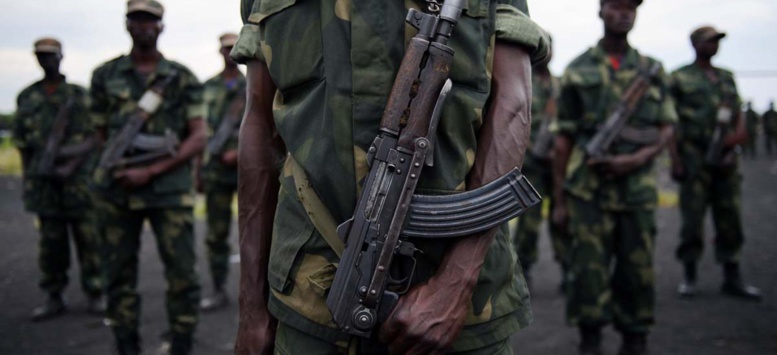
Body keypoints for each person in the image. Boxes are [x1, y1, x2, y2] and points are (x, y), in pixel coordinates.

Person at [231, 0, 550, 354]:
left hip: (459, 310)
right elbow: (259, 126)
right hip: (308, 304)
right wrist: (251, 309)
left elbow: (513, 103)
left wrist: (455, 283)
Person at [552, 1, 677, 354]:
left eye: (631, 7)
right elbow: (563, 140)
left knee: (637, 272)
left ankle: (635, 339)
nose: (625, 13)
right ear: (601, 11)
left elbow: (667, 128)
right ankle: (590, 339)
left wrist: (635, 159)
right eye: (616, 6)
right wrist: (559, 201)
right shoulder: (578, 70)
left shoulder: (652, 69)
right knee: (587, 273)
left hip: (637, 192)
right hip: (588, 191)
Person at [89, 1, 206, 353]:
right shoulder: (104, 76)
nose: (144, 26)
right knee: (117, 276)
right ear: (127, 25)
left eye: (150, 20)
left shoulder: (181, 77)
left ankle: (182, 344)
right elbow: (99, 134)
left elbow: (198, 136)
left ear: (161, 26)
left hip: (169, 192)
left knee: (182, 276)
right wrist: (118, 167)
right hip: (117, 192)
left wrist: (150, 170)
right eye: (137, 19)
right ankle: (126, 344)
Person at [14, 38, 105, 322]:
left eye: (51, 56)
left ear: (61, 57)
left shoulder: (78, 95)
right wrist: (29, 179)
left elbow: (95, 137)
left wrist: (71, 165)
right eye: (42, 56)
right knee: (51, 244)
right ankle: (53, 294)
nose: (47, 61)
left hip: (78, 183)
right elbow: (23, 144)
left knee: (88, 239)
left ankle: (95, 292)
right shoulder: (27, 97)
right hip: (44, 184)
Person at [668, 26, 762, 301]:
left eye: (717, 41)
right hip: (694, 157)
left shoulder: (726, 77)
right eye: (709, 41)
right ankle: (689, 275)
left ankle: (732, 276)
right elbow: (670, 122)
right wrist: (676, 160)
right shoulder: (679, 77)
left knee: (730, 217)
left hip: (725, 158)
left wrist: (736, 144)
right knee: (692, 220)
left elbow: (737, 114)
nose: (714, 46)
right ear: (695, 44)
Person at [511, 47, 569, 290]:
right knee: (528, 223)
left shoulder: (560, 84)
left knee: (562, 219)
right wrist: (534, 150)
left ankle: (568, 270)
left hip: (558, 164)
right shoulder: (523, 82)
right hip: (531, 164)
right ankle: (523, 272)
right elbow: (513, 121)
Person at [197, 33, 245, 312]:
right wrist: (198, 172)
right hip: (215, 171)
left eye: (233, 48)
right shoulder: (207, 87)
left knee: (254, 232)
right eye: (226, 48)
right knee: (215, 235)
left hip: (247, 169)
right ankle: (218, 290)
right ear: (220, 51)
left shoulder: (252, 85)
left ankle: (258, 293)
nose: (230, 52)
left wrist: (239, 153)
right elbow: (198, 130)